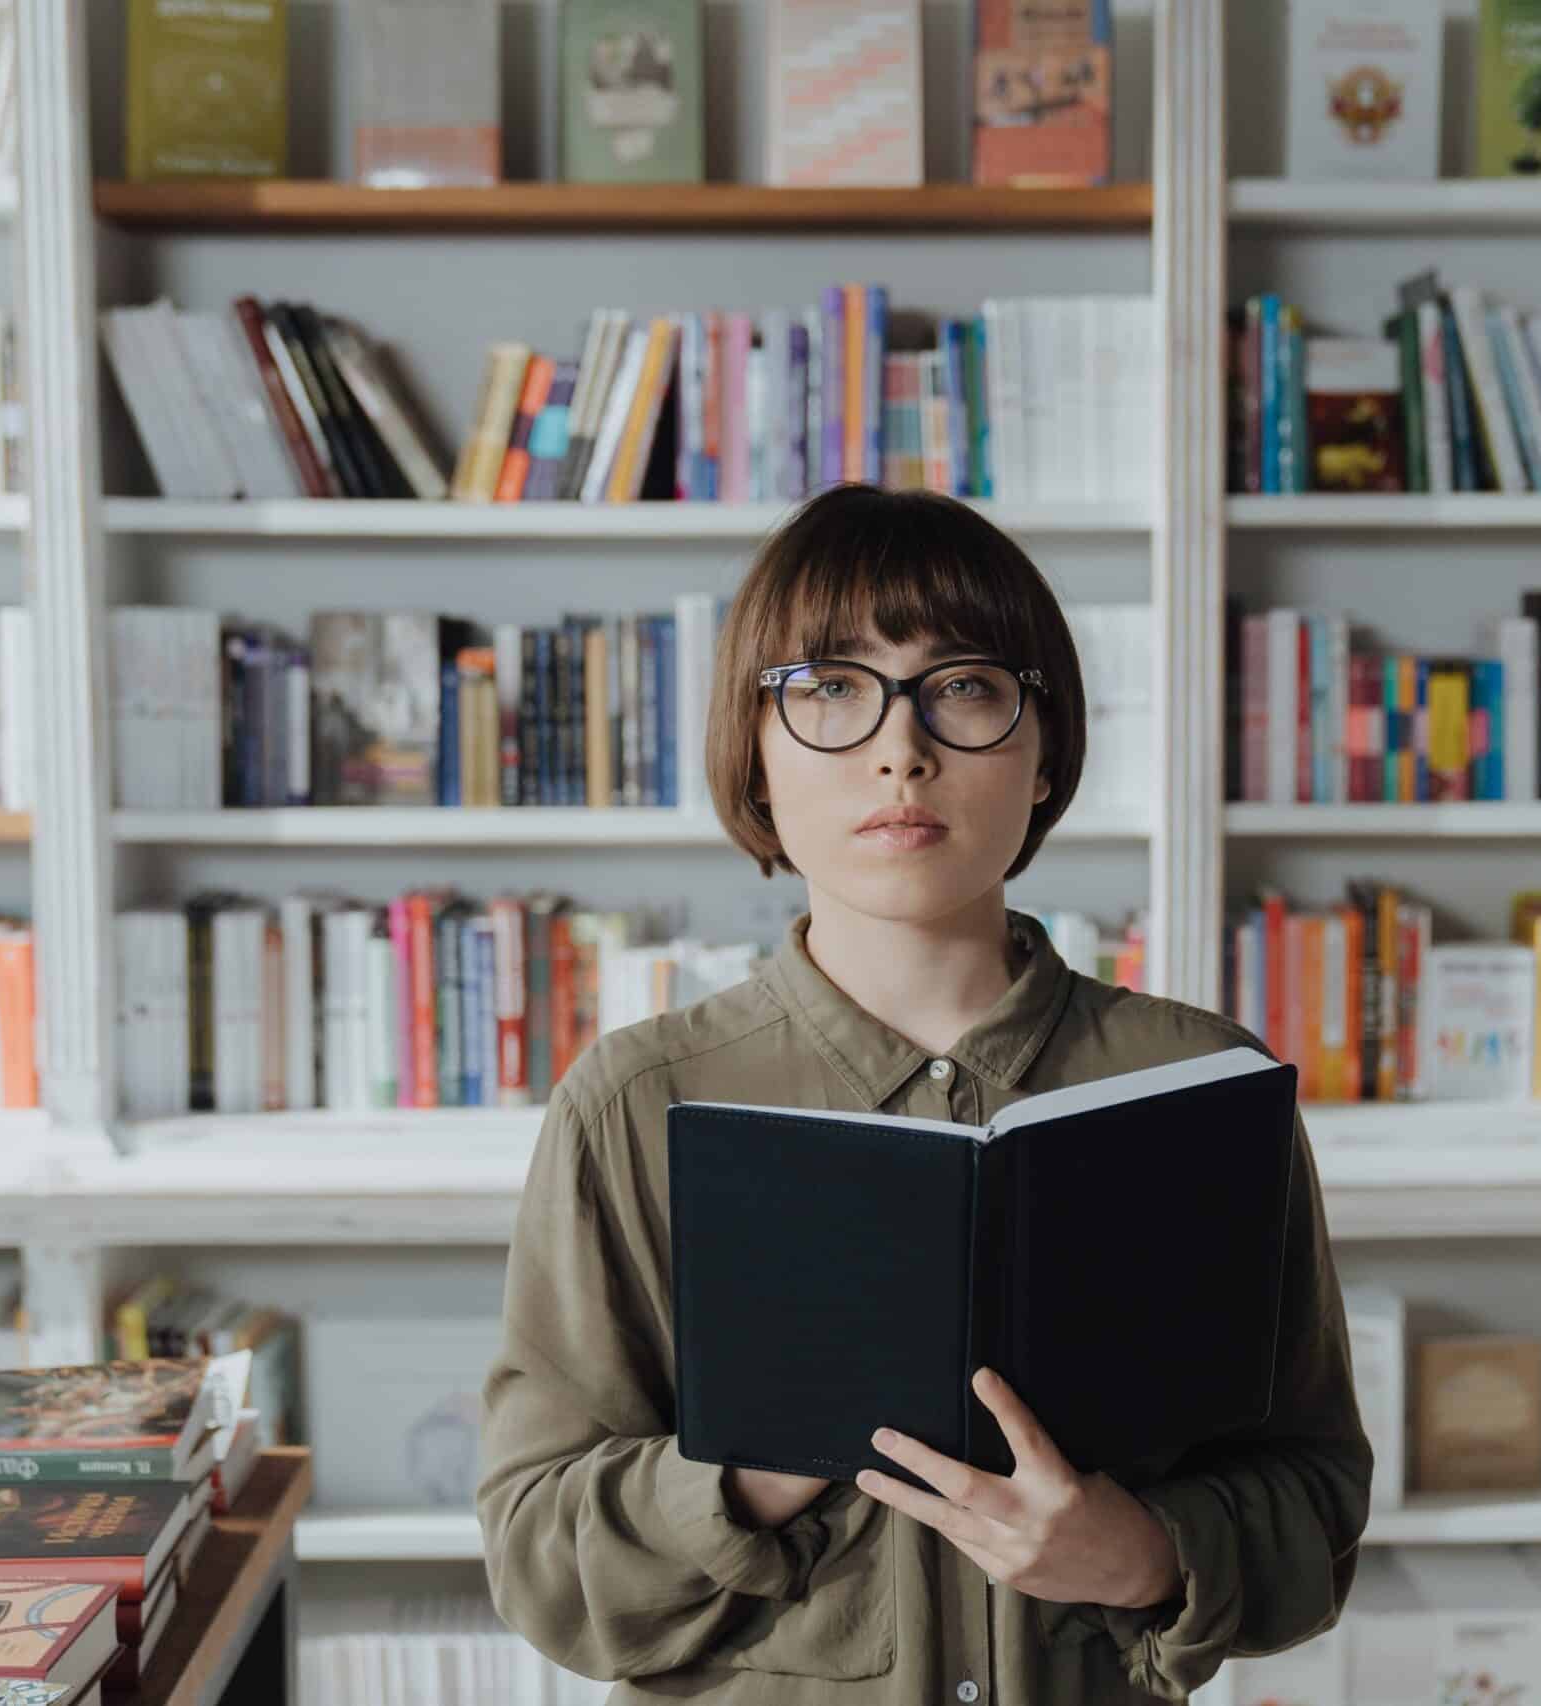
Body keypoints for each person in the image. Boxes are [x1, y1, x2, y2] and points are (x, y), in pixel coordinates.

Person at [477, 485, 1371, 1702]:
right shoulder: (636, 1101)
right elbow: (539, 1561)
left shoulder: (1199, 1084)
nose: (902, 747)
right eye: (831, 688)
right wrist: (754, 1471)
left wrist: (1137, 1551)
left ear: (1044, 747)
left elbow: (1313, 1505)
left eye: (962, 686)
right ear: (754, 747)